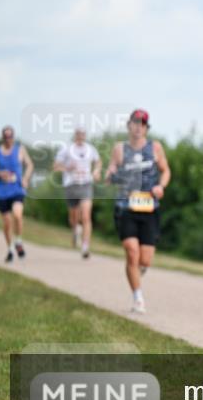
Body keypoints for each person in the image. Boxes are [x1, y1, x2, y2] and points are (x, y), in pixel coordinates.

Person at [105, 109, 170, 314]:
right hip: (126, 207)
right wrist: (110, 174)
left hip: (150, 208)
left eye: (142, 124)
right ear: (129, 125)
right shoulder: (120, 149)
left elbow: (166, 170)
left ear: (146, 127)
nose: (138, 127)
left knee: (145, 260)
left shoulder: (155, 147)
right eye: (135, 123)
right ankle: (138, 297)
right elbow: (111, 170)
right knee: (132, 253)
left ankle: (137, 272)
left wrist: (161, 186)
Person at [53, 128, 101, 258]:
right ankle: (75, 230)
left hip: (85, 184)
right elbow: (55, 166)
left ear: (85, 135)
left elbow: (98, 162)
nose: (81, 137)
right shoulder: (66, 149)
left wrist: (96, 171)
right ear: (75, 135)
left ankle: (85, 247)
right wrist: (67, 168)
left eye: (83, 134)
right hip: (71, 185)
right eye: (78, 134)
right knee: (74, 218)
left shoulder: (91, 149)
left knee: (86, 216)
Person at [0, 126, 33, 262]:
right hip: (2, 192)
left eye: (10, 136)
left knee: (17, 214)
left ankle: (19, 241)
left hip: (17, 189)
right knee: (7, 222)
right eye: (6, 137)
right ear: (3, 137)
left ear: (13, 137)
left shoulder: (19, 149)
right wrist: (0, 173)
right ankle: (10, 249)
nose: (8, 139)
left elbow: (30, 165)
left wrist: (26, 178)